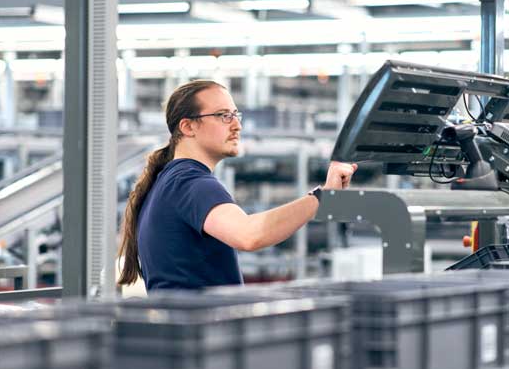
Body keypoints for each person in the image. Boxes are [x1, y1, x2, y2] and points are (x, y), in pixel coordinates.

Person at [116, 80, 357, 290]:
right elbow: (250, 234)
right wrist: (321, 196)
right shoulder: (191, 182)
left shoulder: (170, 180)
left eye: (236, 115)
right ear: (188, 126)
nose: (237, 125)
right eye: (224, 116)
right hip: (201, 335)